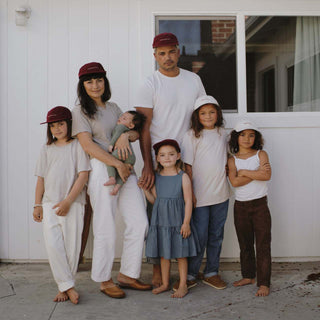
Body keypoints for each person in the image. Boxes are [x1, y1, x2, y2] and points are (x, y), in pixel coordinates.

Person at [72, 62, 151, 299]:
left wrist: (127, 135)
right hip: (102, 168)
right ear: (82, 85)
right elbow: (87, 145)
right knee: (105, 224)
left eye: (99, 80)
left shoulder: (114, 107)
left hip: (126, 167)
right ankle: (104, 279)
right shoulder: (80, 111)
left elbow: (135, 130)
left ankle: (128, 274)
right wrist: (117, 164)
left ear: (105, 82)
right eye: (89, 81)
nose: (95, 85)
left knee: (139, 222)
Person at [135, 32, 206, 286]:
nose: (167, 57)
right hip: (159, 159)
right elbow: (144, 126)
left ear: (179, 52)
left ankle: (188, 269)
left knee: (188, 208)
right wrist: (147, 164)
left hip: (187, 156)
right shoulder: (150, 83)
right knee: (157, 213)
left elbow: (201, 118)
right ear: (154, 56)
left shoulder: (193, 80)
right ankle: (158, 268)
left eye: (171, 52)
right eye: (161, 53)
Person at [33, 106, 91, 304]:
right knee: (53, 246)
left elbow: (83, 174)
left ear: (69, 125)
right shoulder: (46, 149)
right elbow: (40, 179)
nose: (56, 129)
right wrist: (37, 204)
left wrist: (68, 201)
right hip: (49, 203)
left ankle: (65, 286)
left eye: (61, 124)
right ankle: (67, 286)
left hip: (73, 203)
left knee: (71, 247)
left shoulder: (77, 146)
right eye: (52, 125)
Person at [179, 95, 230, 291]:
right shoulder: (192, 135)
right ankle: (191, 273)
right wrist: (190, 193)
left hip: (221, 194)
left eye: (211, 112)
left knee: (216, 234)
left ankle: (211, 272)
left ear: (218, 113)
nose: (208, 116)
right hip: (199, 196)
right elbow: (188, 166)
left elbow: (228, 158)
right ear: (196, 116)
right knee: (199, 235)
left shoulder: (223, 133)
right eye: (203, 113)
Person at [143, 139, 198, 298]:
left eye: (171, 154)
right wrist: (145, 190)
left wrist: (186, 222)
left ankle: (182, 285)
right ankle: (166, 283)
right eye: (162, 155)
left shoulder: (183, 177)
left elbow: (188, 201)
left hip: (178, 222)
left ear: (178, 156)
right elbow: (156, 200)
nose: (167, 158)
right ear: (157, 158)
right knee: (163, 254)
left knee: (181, 254)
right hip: (161, 222)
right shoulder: (156, 177)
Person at [227, 119, 272, 297]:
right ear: (236, 138)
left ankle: (264, 282)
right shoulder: (232, 160)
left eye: (251, 135)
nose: (247, 139)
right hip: (241, 207)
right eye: (243, 135)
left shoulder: (261, 155)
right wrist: (256, 173)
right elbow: (235, 182)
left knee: (262, 244)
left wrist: (244, 172)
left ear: (256, 138)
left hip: (260, 205)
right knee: (245, 243)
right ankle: (248, 276)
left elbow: (267, 175)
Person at [104, 110, 146, 195]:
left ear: (131, 125)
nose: (120, 118)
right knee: (124, 172)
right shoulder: (127, 130)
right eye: (121, 116)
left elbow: (116, 135)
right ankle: (117, 187)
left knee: (110, 160)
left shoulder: (120, 127)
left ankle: (112, 178)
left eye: (124, 118)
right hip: (131, 157)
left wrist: (111, 145)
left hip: (121, 153)